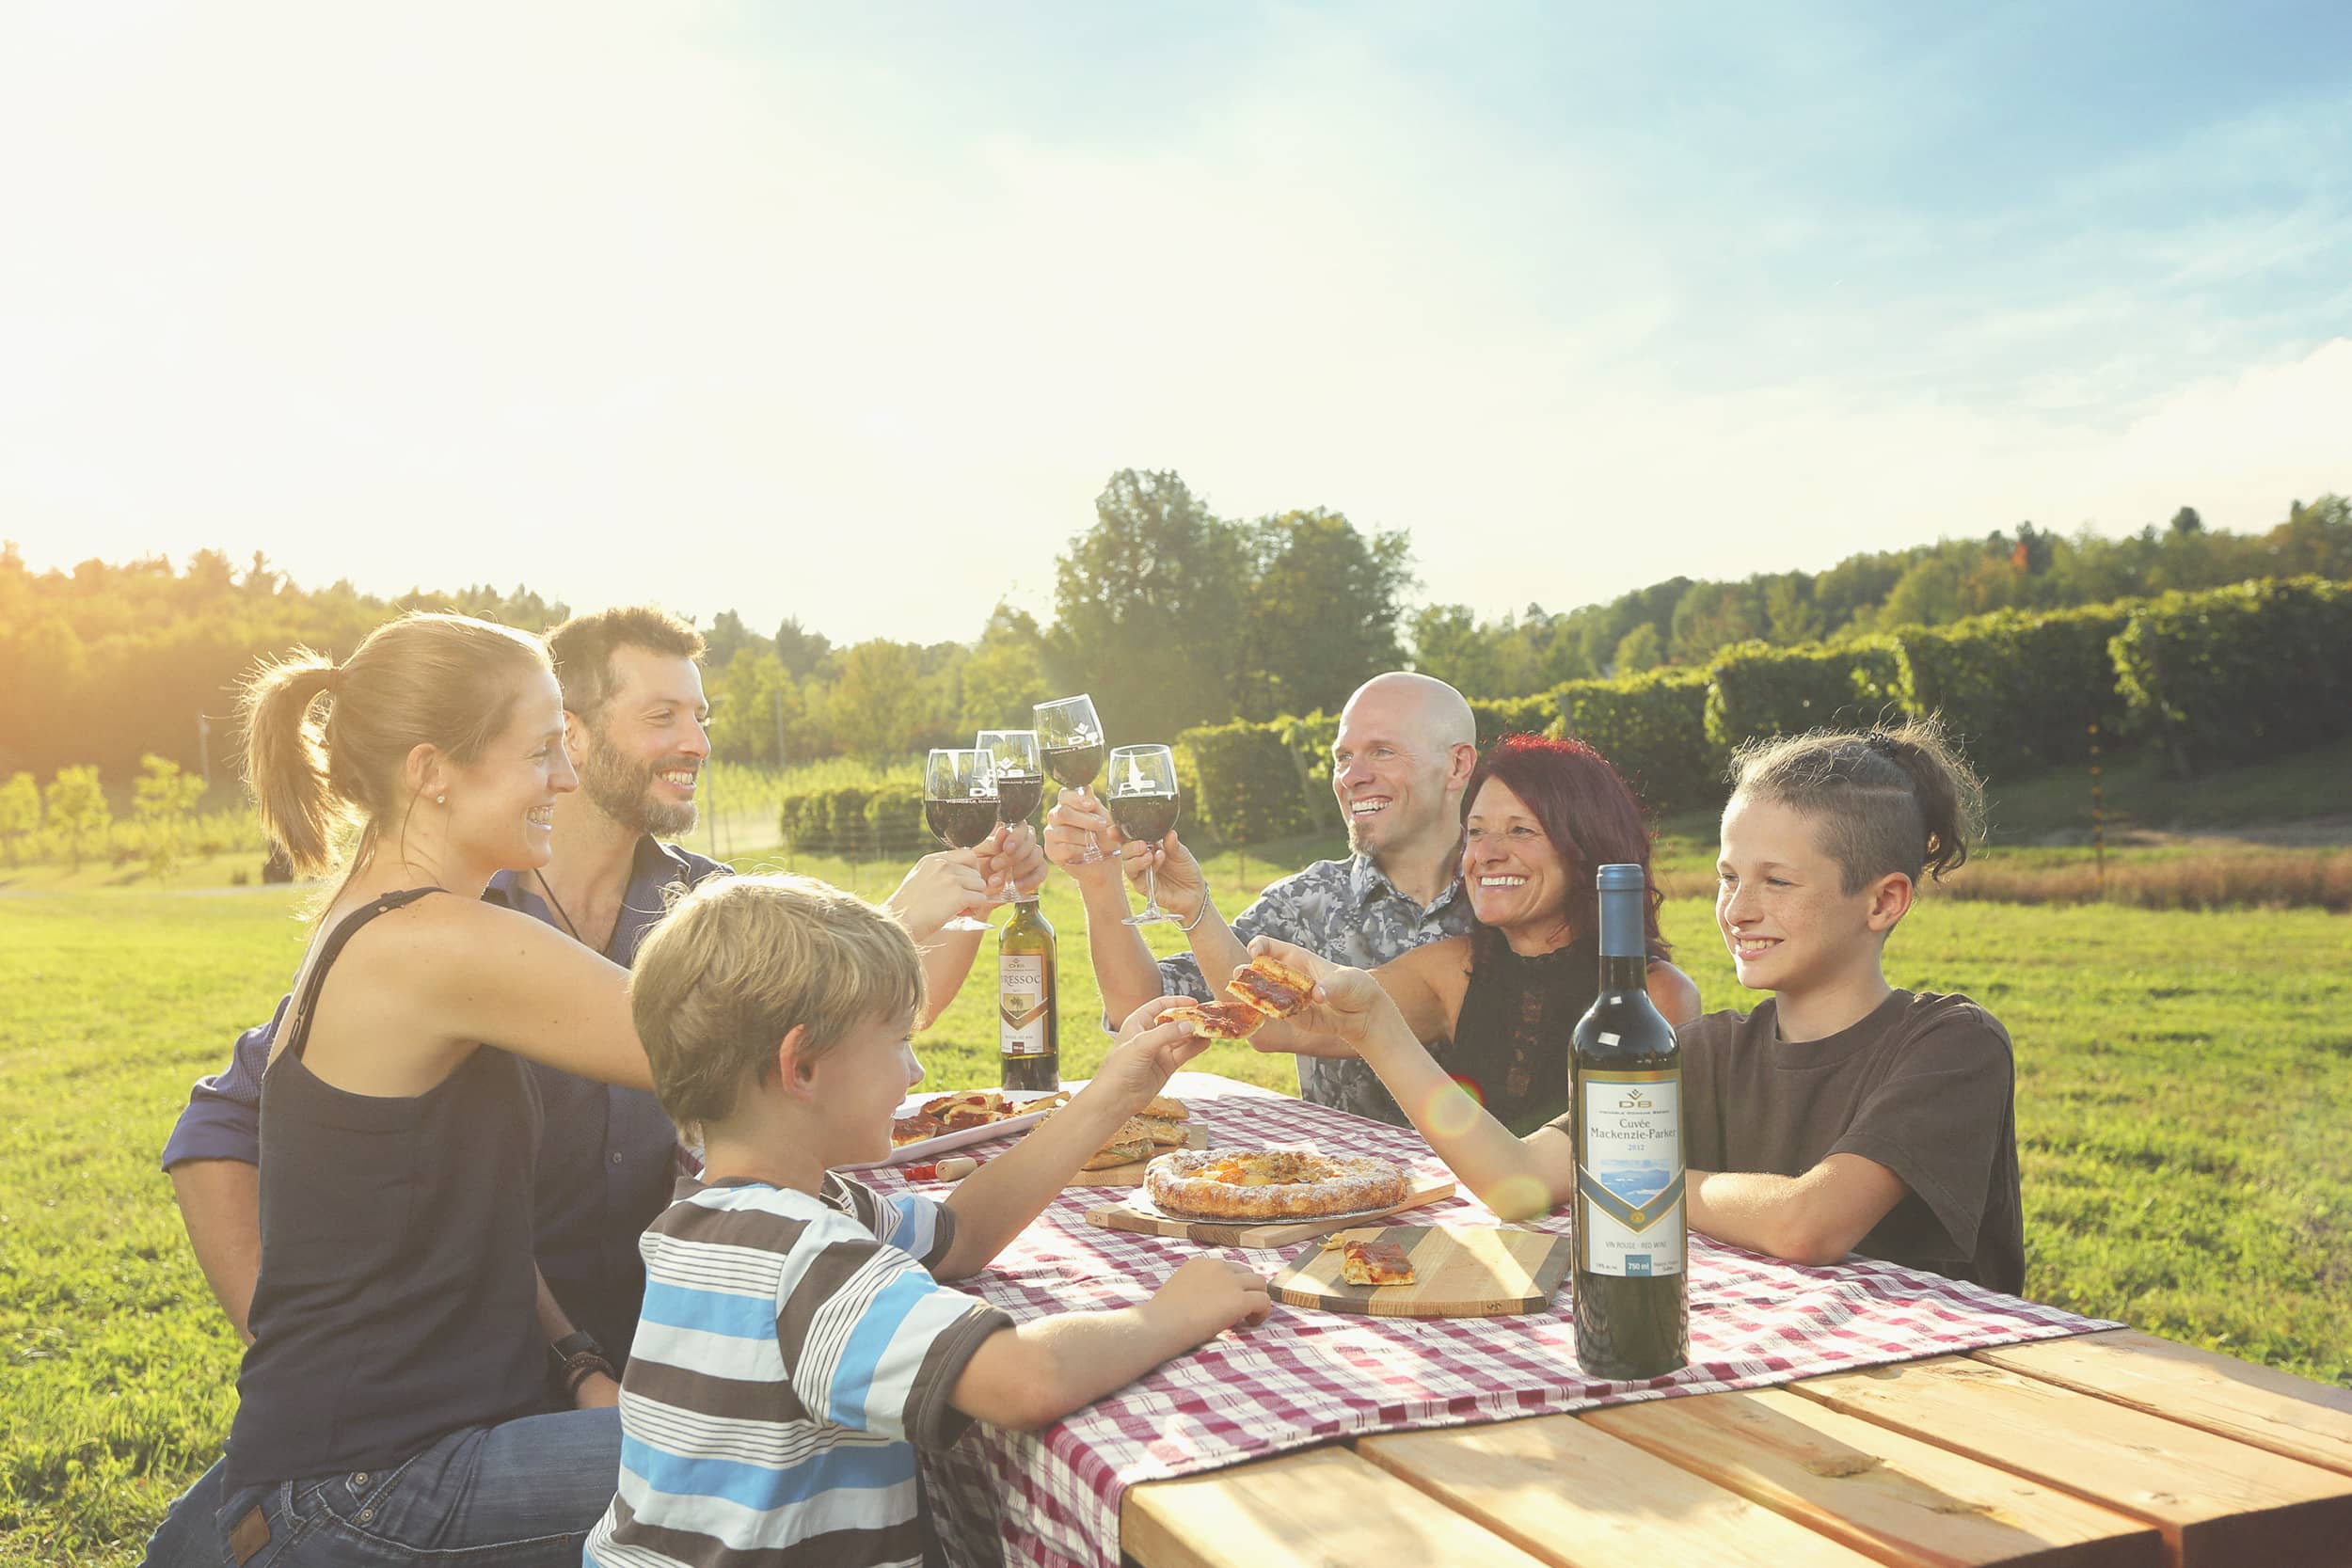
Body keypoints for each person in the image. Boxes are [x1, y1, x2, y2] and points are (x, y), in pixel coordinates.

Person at [145, 610, 1040, 1565]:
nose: (564, 777)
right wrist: (895, 918)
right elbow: (725, 1048)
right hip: (381, 1480)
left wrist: (573, 1361)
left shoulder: (396, 922)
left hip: (402, 1448)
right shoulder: (435, 940)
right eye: (539, 752)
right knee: (814, 1436)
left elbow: (472, 1216)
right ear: (431, 771)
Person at [581, 874, 1271, 1568]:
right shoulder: (807, 1258)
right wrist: (1169, 1315)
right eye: (898, 1041)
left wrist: (1112, 1094)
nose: (915, 1072)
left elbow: (957, 1235)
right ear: (803, 1067)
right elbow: (1024, 1379)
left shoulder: (722, 1214)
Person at [1242, 718, 2024, 1293]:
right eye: (1728, 877)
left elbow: (1806, 1223)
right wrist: (1378, 1027)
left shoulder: (1951, 1044)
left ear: (1884, 900)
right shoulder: (1708, 1050)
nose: (1739, 909)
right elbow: (1515, 1177)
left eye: (1777, 882)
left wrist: (1633, 1179)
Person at [1156, 734, 1699, 1132]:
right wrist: (1195, 909)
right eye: (1477, 832)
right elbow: (1275, 1028)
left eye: (1521, 831)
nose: (1487, 854)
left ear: (1585, 849)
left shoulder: (1657, 999)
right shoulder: (1453, 970)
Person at [1045, 671, 1482, 1124]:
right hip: (1342, 1167)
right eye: (1343, 757)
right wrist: (1100, 883)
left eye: (1383, 751)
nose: (1352, 777)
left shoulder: (1511, 893)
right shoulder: (1306, 901)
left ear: (1457, 766)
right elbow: (1143, 1009)